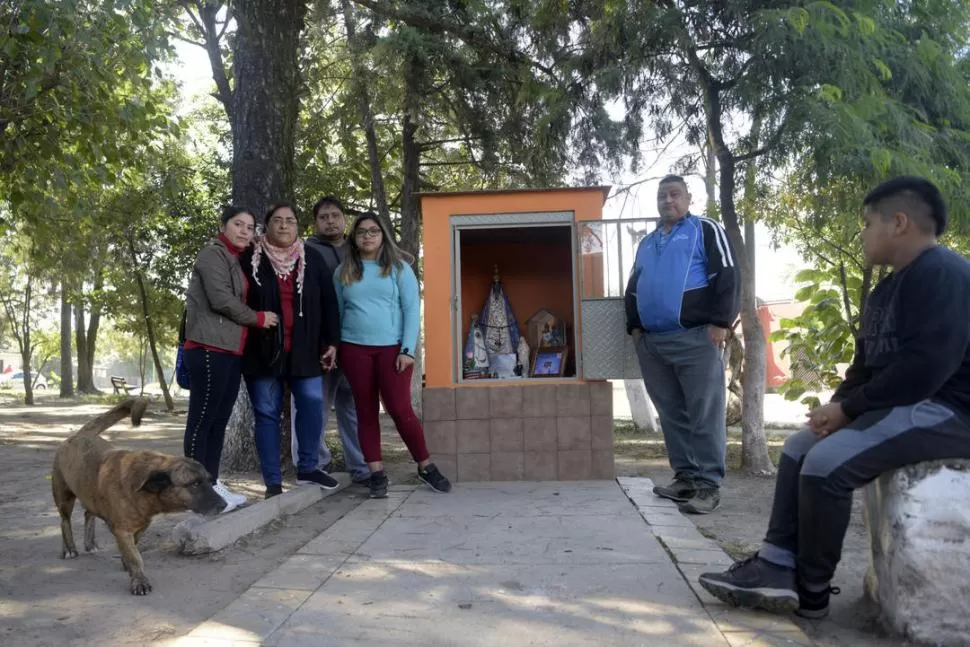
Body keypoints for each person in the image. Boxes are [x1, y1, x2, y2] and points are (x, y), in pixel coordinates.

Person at [698, 176, 970, 619]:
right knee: (802, 445)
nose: (861, 233)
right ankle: (777, 565)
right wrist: (837, 408)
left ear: (899, 222)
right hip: (905, 405)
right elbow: (865, 367)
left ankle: (812, 590)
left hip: (949, 411)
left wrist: (850, 409)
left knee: (828, 464)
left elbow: (926, 369)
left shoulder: (945, 274)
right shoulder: (886, 289)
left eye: (867, 223)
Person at [624, 174, 740, 514]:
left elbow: (728, 274)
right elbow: (633, 285)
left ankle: (708, 485)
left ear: (689, 198)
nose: (668, 201)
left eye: (675, 194)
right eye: (662, 196)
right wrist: (634, 328)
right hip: (653, 343)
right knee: (672, 414)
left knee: (703, 412)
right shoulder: (647, 243)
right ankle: (686, 478)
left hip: (695, 338)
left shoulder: (705, 230)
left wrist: (721, 323)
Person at [333, 212, 452, 499]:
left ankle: (425, 466)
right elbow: (336, 314)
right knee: (365, 411)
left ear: (383, 235)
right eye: (361, 232)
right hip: (353, 349)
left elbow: (412, 311)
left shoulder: (399, 269)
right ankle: (377, 475)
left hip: (392, 350)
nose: (368, 236)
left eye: (374, 231)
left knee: (400, 409)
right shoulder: (343, 272)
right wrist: (335, 347)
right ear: (355, 238)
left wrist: (408, 350)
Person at [182, 206, 279, 513]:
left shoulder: (235, 260)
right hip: (208, 347)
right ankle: (196, 494)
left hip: (229, 351)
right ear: (223, 226)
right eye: (238, 224)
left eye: (250, 228)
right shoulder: (212, 255)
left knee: (218, 421)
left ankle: (211, 483)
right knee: (202, 421)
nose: (244, 231)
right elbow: (221, 299)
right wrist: (258, 318)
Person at [240, 203, 341, 499]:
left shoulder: (313, 259)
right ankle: (272, 482)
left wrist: (332, 342)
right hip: (262, 352)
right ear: (266, 226)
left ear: (298, 227)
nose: (284, 226)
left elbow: (329, 304)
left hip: (305, 350)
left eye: (290, 221)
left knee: (311, 405)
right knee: (267, 414)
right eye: (277, 221)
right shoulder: (250, 258)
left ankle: (308, 466)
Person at [289, 196, 369, 484]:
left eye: (336, 215)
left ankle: (361, 467)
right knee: (314, 405)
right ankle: (312, 465)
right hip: (318, 343)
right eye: (324, 217)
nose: (331, 221)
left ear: (344, 218)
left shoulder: (359, 249)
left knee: (354, 405)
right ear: (315, 222)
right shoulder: (305, 252)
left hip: (355, 340)